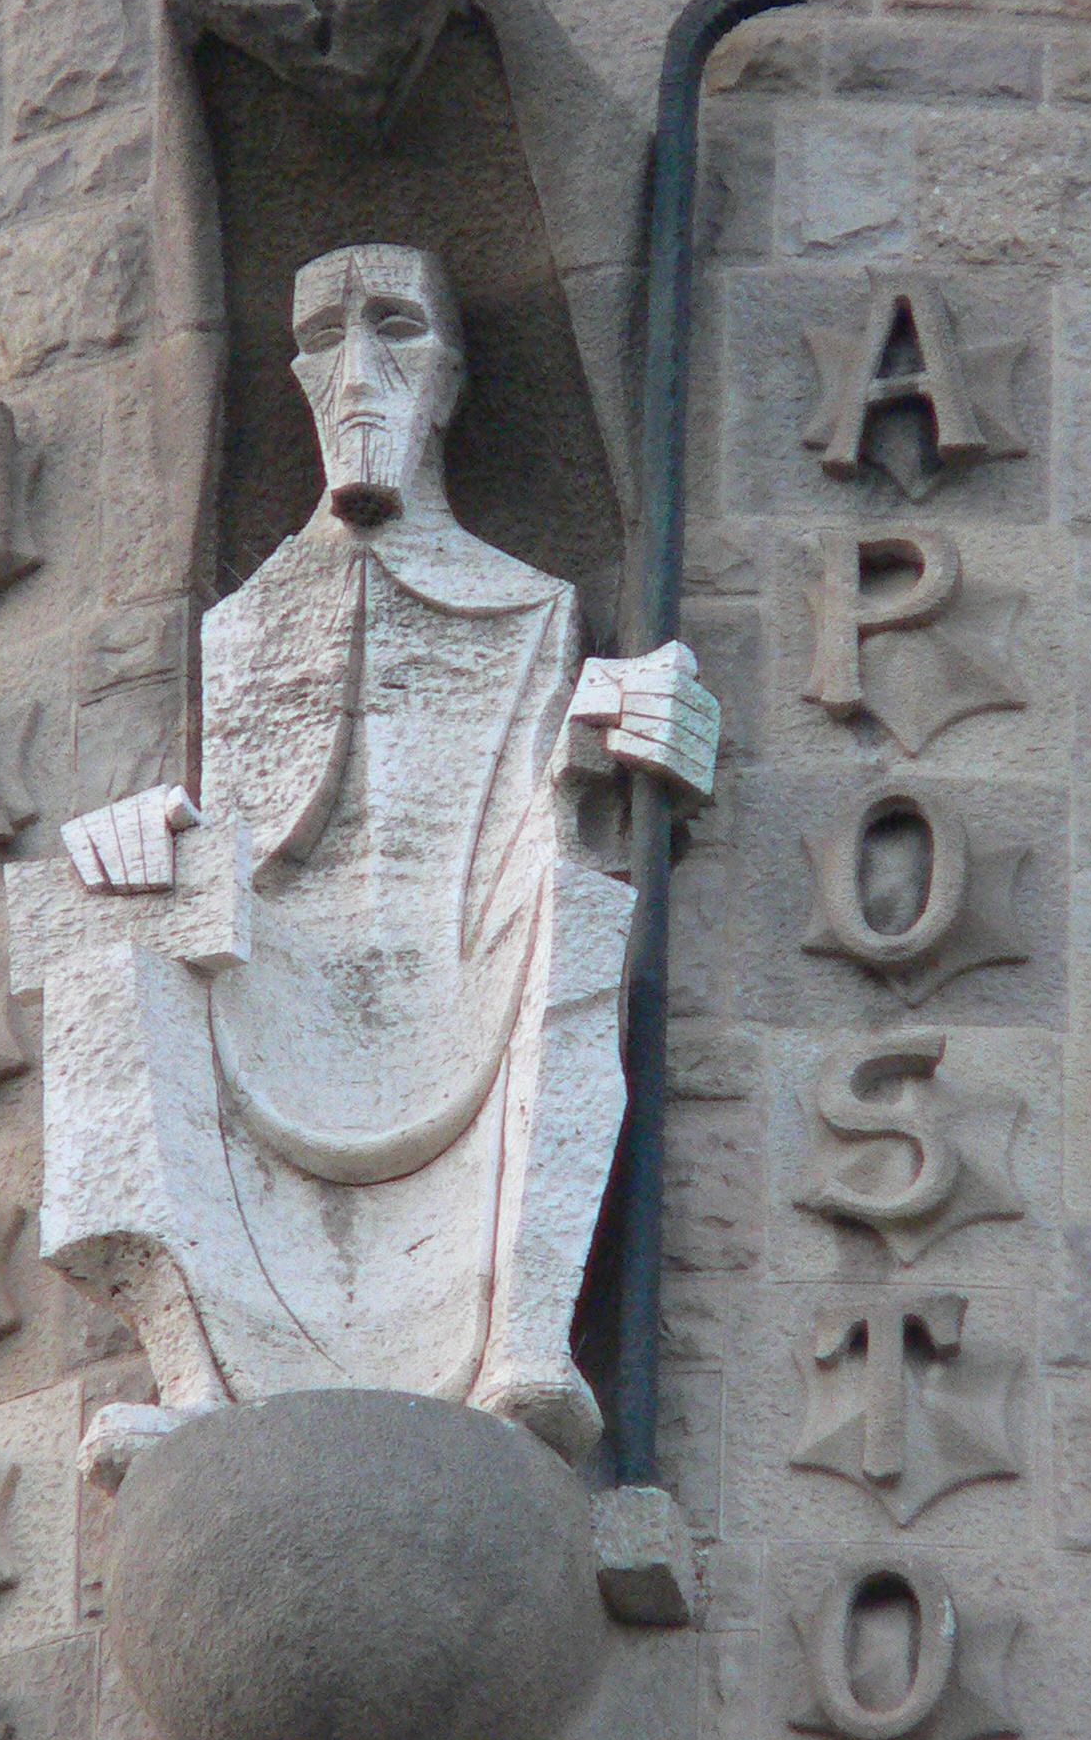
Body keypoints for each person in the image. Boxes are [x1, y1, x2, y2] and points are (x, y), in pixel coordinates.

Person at [52, 242, 718, 1458]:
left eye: (396, 328)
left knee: (576, 901)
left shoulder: (534, 606)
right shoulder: (246, 623)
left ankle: (525, 1344)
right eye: (323, 337)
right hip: (282, 987)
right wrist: (146, 835)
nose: (358, 372)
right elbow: (248, 848)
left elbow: (544, 821)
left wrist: (630, 737)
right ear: (298, 379)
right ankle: (194, 1377)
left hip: (467, 961)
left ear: (452, 377)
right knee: (104, 921)